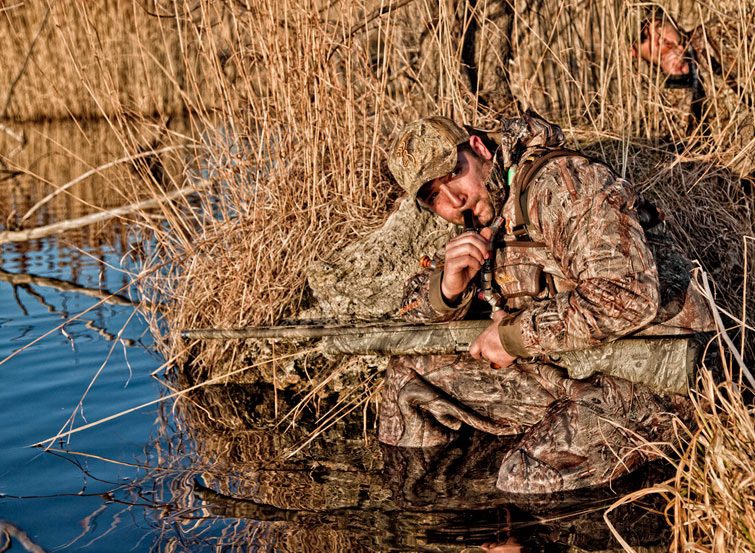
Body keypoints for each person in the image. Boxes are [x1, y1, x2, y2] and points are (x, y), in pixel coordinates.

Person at [380, 111, 712, 495]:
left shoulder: (560, 185)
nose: (454, 198)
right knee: (407, 381)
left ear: (477, 148)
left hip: (653, 382)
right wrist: (447, 289)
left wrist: (513, 336)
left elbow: (628, 295)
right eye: (435, 195)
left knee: (525, 474)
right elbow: (408, 316)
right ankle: (431, 521)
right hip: (564, 373)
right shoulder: (484, 214)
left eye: (454, 172)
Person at [630, 8, 754, 179]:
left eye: (659, 26)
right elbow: (678, 151)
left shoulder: (718, 32)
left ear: (673, 22)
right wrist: (680, 79)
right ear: (634, 52)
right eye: (645, 38)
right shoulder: (650, 100)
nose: (658, 40)